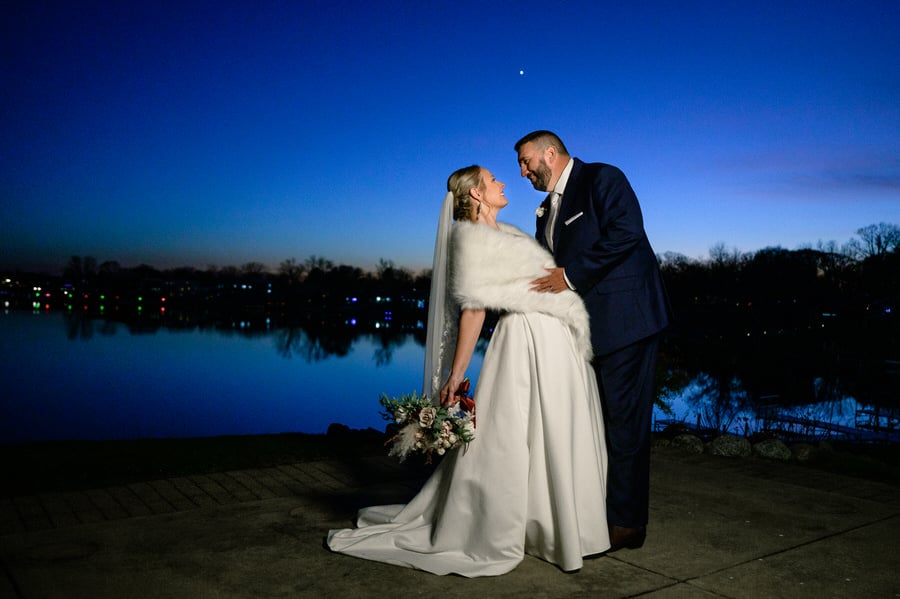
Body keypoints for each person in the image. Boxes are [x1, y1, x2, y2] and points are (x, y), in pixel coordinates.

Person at [327, 165, 610, 577]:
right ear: (476, 194)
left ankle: (556, 525)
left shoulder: (511, 232)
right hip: (525, 340)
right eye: (493, 180)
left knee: (556, 430)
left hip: (556, 340)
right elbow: (474, 309)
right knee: (513, 437)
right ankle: (508, 526)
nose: (501, 183)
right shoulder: (472, 240)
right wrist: (456, 374)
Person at [515, 130, 671, 552]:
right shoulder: (543, 211)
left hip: (627, 322)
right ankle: (594, 511)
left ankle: (627, 524)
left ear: (551, 152)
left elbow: (627, 233)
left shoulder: (602, 178)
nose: (523, 171)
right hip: (585, 331)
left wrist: (567, 277)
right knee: (595, 424)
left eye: (527, 161)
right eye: (520, 166)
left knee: (624, 426)